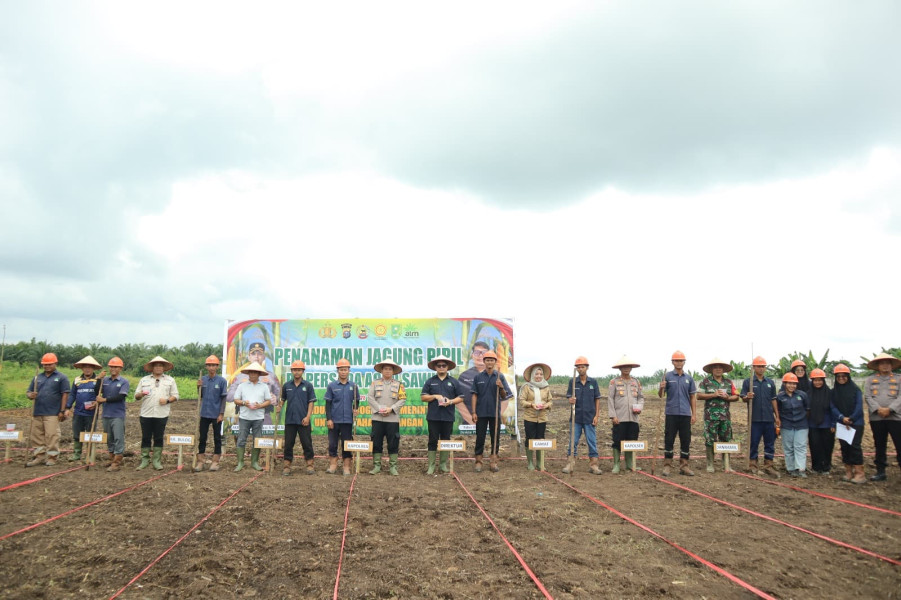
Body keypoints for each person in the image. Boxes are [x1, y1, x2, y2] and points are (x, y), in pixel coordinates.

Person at [471, 350, 513, 472]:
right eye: (487, 360)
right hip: (481, 412)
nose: (489, 362)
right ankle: (478, 461)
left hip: (495, 413)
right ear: (484, 362)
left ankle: (493, 461)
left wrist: (501, 387)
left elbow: (505, 396)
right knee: (480, 437)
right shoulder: (478, 377)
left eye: (492, 360)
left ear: (495, 362)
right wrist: (474, 412)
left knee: (496, 437)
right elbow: (474, 395)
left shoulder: (500, 376)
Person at [25, 353, 70, 467]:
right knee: (36, 435)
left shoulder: (61, 377)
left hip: (52, 412)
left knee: (52, 435)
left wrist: (62, 410)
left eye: (49, 364)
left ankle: (52, 457)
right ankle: (39, 456)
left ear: (55, 363)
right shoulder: (37, 378)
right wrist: (31, 395)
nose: (47, 366)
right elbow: (28, 392)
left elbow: (65, 394)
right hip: (37, 411)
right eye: (45, 364)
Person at [135, 356, 179, 471]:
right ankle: (144, 460)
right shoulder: (144, 380)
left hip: (161, 414)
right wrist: (141, 394)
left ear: (164, 368)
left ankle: (156, 461)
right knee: (146, 437)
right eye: (156, 365)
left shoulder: (170, 380)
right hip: (146, 413)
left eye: (161, 365)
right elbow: (136, 396)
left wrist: (167, 400)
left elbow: (176, 396)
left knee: (158, 437)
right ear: (152, 368)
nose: (158, 367)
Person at [422, 356, 464, 474]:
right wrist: (435, 396)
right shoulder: (430, 381)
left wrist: (450, 401)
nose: (441, 367)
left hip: (448, 416)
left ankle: (443, 465)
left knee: (445, 439)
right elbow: (423, 397)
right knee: (432, 440)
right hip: (433, 416)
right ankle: (431, 466)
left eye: (443, 366)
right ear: (435, 367)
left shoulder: (454, 381)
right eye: (439, 366)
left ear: (447, 368)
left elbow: (461, 397)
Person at [658, 351, 697, 477]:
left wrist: (694, 414)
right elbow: (661, 395)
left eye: (681, 360)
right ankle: (667, 466)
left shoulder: (689, 378)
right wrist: (661, 387)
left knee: (685, 440)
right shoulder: (667, 377)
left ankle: (684, 466)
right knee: (669, 439)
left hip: (685, 414)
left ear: (684, 362)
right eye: (676, 360)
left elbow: (692, 397)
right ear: (672, 362)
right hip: (671, 413)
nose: (679, 363)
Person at [740, 356, 780, 477]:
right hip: (755, 418)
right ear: (753, 367)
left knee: (769, 443)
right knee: (754, 442)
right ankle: (753, 464)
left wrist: (777, 416)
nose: (761, 369)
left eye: (763, 366)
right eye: (758, 366)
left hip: (768, 418)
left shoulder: (770, 383)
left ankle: (768, 465)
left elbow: (773, 400)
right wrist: (748, 397)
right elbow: (743, 397)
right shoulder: (749, 382)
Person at [864, 352, 901, 482]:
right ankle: (880, 471)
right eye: (882, 363)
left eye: (887, 363)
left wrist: (890, 409)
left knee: (899, 444)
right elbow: (868, 396)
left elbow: (900, 397)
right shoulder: (870, 380)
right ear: (878, 366)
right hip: (877, 417)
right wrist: (878, 409)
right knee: (879, 445)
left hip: (896, 418)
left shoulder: (899, 378)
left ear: (891, 365)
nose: (885, 365)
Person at [697, 357, 738, 474]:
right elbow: (699, 395)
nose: (718, 369)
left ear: (724, 370)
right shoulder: (706, 382)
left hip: (725, 417)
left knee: (726, 438)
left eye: (720, 367)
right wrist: (714, 394)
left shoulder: (729, 382)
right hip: (710, 417)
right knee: (710, 439)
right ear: (711, 369)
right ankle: (710, 464)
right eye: (715, 367)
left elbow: (736, 396)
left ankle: (727, 465)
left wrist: (728, 398)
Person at [226, 341, 282, 426]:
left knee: (263, 439)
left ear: (264, 357)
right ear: (249, 357)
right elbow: (229, 397)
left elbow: (280, 394)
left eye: (259, 354)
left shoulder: (271, 376)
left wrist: (276, 399)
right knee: (242, 438)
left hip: (264, 416)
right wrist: (243, 395)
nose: (256, 356)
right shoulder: (239, 377)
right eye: (253, 354)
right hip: (244, 415)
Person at [367, 359, 407, 476]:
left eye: (390, 369)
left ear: (393, 371)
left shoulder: (399, 384)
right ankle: (376, 466)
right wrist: (379, 409)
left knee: (393, 442)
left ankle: (393, 467)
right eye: (385, 369)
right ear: (382, 371)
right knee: (376, 442)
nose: (388, 371)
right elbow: (370, 398)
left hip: (392, 418)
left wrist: (392, 408)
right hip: (377, 418)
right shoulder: (375, 383)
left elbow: (402, 399)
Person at [563, 356, 602, 475]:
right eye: (578, 367)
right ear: (576, 369)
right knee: (573, 441)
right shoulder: (573, 382)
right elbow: (569, 396)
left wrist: (596, 416)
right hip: (576, 417)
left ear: (587, 368)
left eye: (583, 367)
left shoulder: (593, 382)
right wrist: (571, 400)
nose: (581, 369)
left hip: (590, 417)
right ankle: (570, 463)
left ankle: (594, 465)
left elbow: (597, 399)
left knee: (591, 441)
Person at [232, 362, 273, 472]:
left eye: (255, 372)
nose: (253, 374)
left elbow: (268, 401)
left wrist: (260, 405)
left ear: (259, 374)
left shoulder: (264, 386)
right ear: (248, 373)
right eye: (251, 372)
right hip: (244, 417)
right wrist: (244, 403)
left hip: (258, 417)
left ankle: (254, 462)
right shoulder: (242, 386)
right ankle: (240, 462)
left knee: (257, 439)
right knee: (241, 439)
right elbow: (236, 399)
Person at [830, 364, 866, 484]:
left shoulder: (856, 390)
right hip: (841, 423)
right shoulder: (834, 391)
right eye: (838, 376)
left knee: (855, 446)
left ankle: (860, 473)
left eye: (843, 376)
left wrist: (851, 419)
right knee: (844, 447)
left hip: (856, 423)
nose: (841, 378)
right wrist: (841, 417)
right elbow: (832, 406)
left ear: (848, 376)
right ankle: (848, 472)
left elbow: (859, 407)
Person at [608, 356, 643, 474]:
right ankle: (616, 464)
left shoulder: (636, 382)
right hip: (620, 417)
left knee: (631, 440)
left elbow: (640, 398)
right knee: (617, 440)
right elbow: (610, 399)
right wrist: (613, 416)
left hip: (633, 418)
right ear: (620, 368)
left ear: (631, 368)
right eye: (624, 367)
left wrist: (639, 407)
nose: (626, 368)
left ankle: (630, 464)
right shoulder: (614, 382)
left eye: (628, 366)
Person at [281, 360, 317, 476]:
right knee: (288, 444)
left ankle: (310, 464)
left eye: (299, 370)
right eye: (295, 370)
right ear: (291, 371)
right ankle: (287, 465)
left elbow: (311, 403)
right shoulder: (286, 385)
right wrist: (278, 406)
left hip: (303, 420)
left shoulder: (308, 385)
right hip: (290, 420)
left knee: (307, 443)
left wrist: (308, 417)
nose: (297, 372)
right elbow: (282, 400)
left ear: (302, 371)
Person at [325, 358, 359, 475]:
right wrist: (329, 419)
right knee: (333, 444)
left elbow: (356, 401)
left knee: (347, 444)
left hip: (347, 421)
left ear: (349, 371)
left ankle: (346, 467)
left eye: (345, 370)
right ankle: (333, 465)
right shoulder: (332, 386)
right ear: (337, 371)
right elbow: (328, 403)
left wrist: (355, 409)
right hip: (334, 420)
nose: (343, 372)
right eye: (341, 370)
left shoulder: (353, 386)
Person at [65, 356, 103, 463]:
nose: (87, 369)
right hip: (78, 411)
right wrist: (68, 407)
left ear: (93, 369)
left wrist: (97, 403)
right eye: (85, 367)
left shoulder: (97, 380)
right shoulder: (77, 380)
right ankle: (77, 454)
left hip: (91, 413)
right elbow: (72, 394)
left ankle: (90, 455)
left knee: (90, 434)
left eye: (90, 367)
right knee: (77, 433)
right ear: (82, 369)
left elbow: (100, 395)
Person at [97, 357, 129, 472]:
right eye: (111, 366)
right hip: (106, 414)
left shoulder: (124, 382)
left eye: (116, 367)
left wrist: (104, 400)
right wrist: (98, 380)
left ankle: (117, 461)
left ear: (120, 368)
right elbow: (97, 392)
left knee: (118, 438)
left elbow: (121, 396)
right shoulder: (104, 380)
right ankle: (111, 458)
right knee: (109, 438)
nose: (113, 369)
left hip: (117, 414)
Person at [196, 355, 227, 472]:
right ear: (206, 366)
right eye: (209, 365)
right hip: (204, 413)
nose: (211, 367)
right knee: (202, 437)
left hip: (216, 414)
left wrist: (221, 414)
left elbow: (223, 399)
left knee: (217, 437)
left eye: (213, 365)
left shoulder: (222, 381)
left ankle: (215, 461)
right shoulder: (202, 380)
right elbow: (200, 396)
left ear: (217, 367)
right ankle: (200, 461)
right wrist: (198, 387)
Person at [520, 362, 553, 471]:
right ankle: (530, 462)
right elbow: (522, 401)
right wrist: (531, 405)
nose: (538, 376)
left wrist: (546, 405)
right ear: (532, 375)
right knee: (530, 438)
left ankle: (540, 463)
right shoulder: (526, 387)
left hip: (542, 417)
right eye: (536, 374)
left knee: (540, 438)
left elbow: (550, 401)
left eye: (540, 374)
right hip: (530, 417)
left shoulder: (546, 387)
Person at [776, 372, 810, 478]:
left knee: (800, 446)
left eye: (794, 384)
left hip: (801, 425)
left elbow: (807, 409)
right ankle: (791, 468)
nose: (792, 386)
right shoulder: (780, 397)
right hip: (786, 425)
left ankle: (800, 468)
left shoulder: (802, 395)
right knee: (789, 447)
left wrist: (802, 418)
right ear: (785, 384)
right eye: (789, 383)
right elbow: (777, 411)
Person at [807, 368, 835, 475]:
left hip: (827, 424)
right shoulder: (808, 394)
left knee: (827, 446)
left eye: (820, 380)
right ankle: (816, 466)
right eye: (815, 380)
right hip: (813, 424)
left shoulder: (830, 393)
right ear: (812, 381)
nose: (817, 382)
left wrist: (833, 423)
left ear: (823, 381)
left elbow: (833, 409)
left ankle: (826, 466)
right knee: (814, 445)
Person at [456, 340, 490, 425]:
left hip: (490, 421)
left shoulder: (496, 375)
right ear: (472, 355)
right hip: (469, 423)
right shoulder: (464, 376)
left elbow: (504, 399)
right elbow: (459, 401)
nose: (480, 356)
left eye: (483, 353)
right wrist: (470, 421)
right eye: (476, 353)